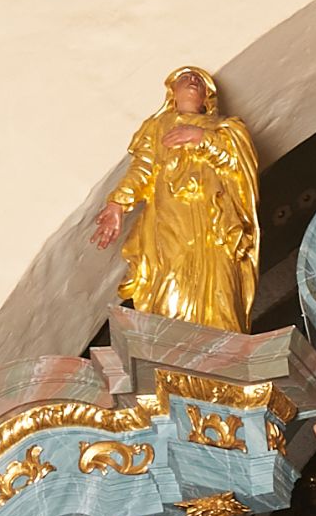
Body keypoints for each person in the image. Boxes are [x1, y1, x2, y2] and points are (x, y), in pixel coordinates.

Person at [93, 67, 260, 334]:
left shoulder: (227, 128)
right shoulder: (158, 126)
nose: (192, 80)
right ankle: (172, 349)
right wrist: (117, 204)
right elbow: (143, 169)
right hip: (170, 216)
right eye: (185, 78)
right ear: (172, 92)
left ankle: (222, 347)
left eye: (199, 81)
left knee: (219, 282)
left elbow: (240, 165)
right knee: (172, 277)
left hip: (215, 218)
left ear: (207, 96)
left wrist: (202, 137)